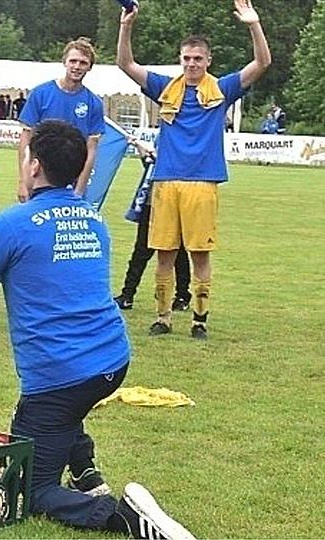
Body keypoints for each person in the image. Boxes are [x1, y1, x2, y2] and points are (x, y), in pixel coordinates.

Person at [0, 120, 195, 540]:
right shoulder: (91, 217)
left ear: (34, 167)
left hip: (59, 374)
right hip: (110, 359)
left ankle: (126, 518)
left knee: (29, 488)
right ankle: (86, 471)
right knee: (62, 415)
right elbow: (31, 262)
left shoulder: (13, 222)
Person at [117, 0, 271, 339]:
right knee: (164, 254)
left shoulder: (222, 89)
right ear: (180, 59)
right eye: (186, 58)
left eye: (197, 58)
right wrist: (126, 25)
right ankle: (163, 317)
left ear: (208, 61)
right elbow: (125, 63)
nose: (191, 64)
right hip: (166, 181)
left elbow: (262, 62)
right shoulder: (164, 87)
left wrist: (253, 24)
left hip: (203, 183)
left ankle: (199, 320)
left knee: (200, 254)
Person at [18, 38, 104, 201]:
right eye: (73, 61)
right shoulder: (40, 94)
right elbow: (26, 140)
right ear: (64, 62)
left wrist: (79, 191)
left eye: (83, 63)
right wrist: (23, 181)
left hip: (72, 181)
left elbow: (91, 149)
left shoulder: (94, 103)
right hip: (40, 179)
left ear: (90, 67)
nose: (77, 66)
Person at [114, 143, 192, 311]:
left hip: (172, 206)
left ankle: (182, 295)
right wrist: (141, 149)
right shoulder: (164, 139)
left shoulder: (179, 146)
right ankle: (127, 295)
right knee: (141, 253)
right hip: (151, 206)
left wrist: (154, 155)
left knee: (178, 253)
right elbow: (150, 166)